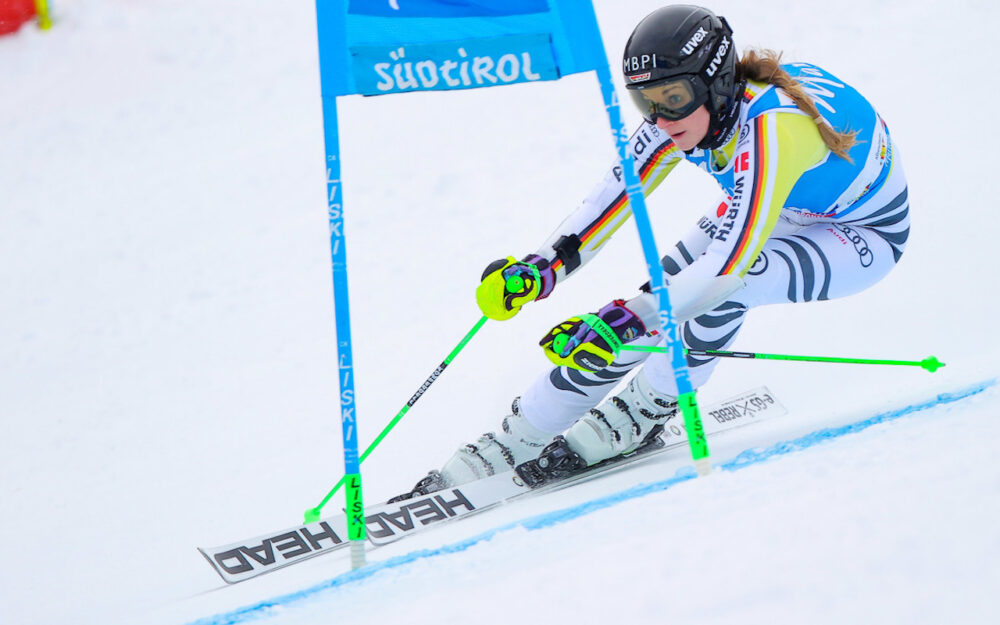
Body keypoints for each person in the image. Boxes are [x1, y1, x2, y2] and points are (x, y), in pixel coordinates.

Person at [393, 4, 908, 498]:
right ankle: (520, 434)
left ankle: (648, 407)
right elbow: (610, 201)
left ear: (715, 82)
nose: (660, 118)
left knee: (721, 287)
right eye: (646, 101)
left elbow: (726, 270)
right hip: (776, 208)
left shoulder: (776, 128)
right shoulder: (686, 113)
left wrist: (631, 320)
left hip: (861, 232)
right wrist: (541, 269)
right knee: (658, 294)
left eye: (673, 97)